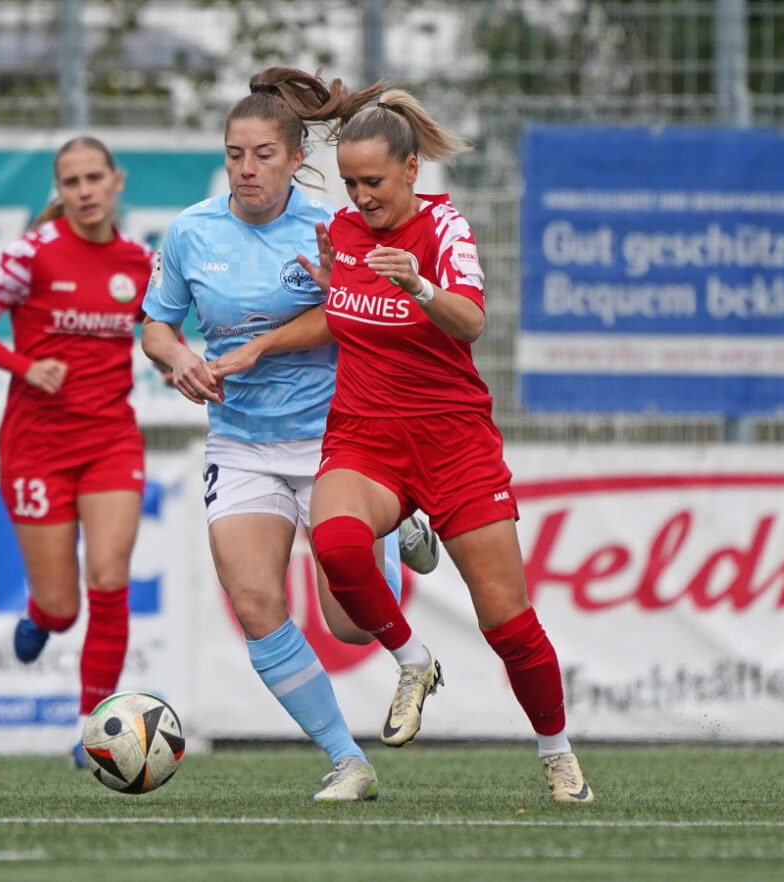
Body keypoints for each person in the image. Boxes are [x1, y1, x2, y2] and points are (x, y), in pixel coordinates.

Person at [141, 67, 434, 803]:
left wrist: (260, 346)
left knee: (352, 627)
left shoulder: (331, 228)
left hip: (336, 437)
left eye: (263, 154)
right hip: (240, 443)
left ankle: (396, 523)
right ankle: (347, 761)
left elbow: (349, 315)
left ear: (295, 158)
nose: (247, 168)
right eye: (236, 153)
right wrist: (177, 357)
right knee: (253, 604)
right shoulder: (191, 231)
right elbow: (156, 324)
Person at [306, 89, 594, 803]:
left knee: (507, 621)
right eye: (350, 183)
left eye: (374, 182)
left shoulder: (444, 229)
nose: (361, 196)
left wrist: (422, 286)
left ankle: (557, 754)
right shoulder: (341, 233)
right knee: (336, 543)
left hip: (452, 441)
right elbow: (345, 313)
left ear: (410, 170)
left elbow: (469, 324)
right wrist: (327, 285)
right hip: (365, 436)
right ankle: (414, 660)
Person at [0, 137, 153, 768]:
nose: (85, 190)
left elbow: (164, 331)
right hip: (36, 447)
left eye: (95, 177)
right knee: (65, 608)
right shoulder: (30, 255)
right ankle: (41, 614)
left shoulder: (142, 262)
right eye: (71, 181)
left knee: (111, 578)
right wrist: (24, 365)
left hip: (111, 441)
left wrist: (179, 365)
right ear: (59, 191)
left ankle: (95, 732)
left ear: (117, 182)